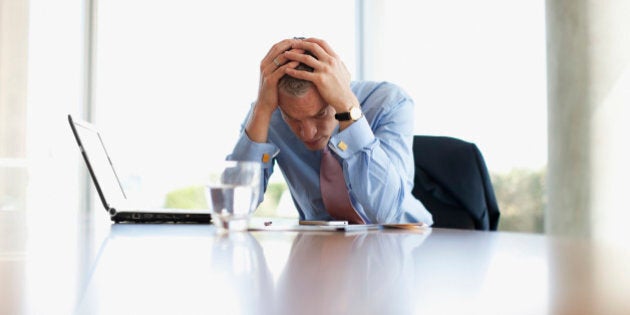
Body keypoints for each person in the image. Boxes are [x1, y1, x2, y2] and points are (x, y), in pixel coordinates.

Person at [228, 37, 432, 225]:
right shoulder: (270, 113)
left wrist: (348, 109)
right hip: (320, 249)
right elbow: (231, 207)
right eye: (292, 118)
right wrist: (262, 111)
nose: (307, 133)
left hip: (410, 244)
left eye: (320, 114)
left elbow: (387, 213)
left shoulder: (389, 103)